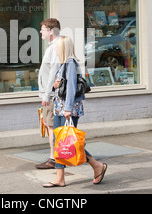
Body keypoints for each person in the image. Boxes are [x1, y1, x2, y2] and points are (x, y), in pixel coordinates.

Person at [43, 36, 107, 187]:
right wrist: (55, 85)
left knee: (71, 142)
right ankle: (60, 178)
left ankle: (97, 166)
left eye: (58, 47)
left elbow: (71, 88)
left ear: (64, 48)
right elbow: (61, 86)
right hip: (59, 107)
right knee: (58, 141)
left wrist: (67, 109)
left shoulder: (70, 62)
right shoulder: (63, 63)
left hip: (67, 108)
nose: (56, 49)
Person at [35, 18, 61, 169]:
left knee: (50, 125)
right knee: (49, 124)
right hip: (49, 93)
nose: (40, 32)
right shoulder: (53, 46)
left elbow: (53, 72)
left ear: (51, 31)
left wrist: (46, 94)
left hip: (50, 95)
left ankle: (53, 159)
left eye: (43, 29)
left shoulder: (55, 47)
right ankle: (54, 157)